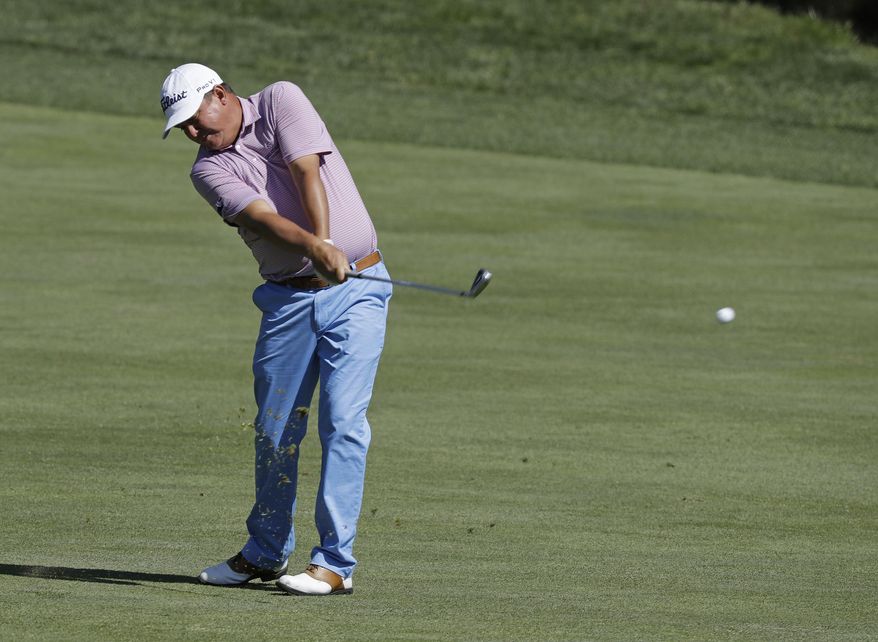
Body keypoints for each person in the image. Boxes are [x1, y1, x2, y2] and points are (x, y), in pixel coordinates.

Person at [159, 63, 391, 596]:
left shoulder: (281, 99)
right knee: (274, 427)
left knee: (343, 422)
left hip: (358, 290)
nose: (193, 134)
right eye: (183, 129)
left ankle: (333, 564)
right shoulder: (206, 171)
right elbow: (262, 218)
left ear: (220, 94)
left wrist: (327, 243)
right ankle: (265, 553)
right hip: (288, 302)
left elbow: (306, 168)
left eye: (195, 119)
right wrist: (315, 247)